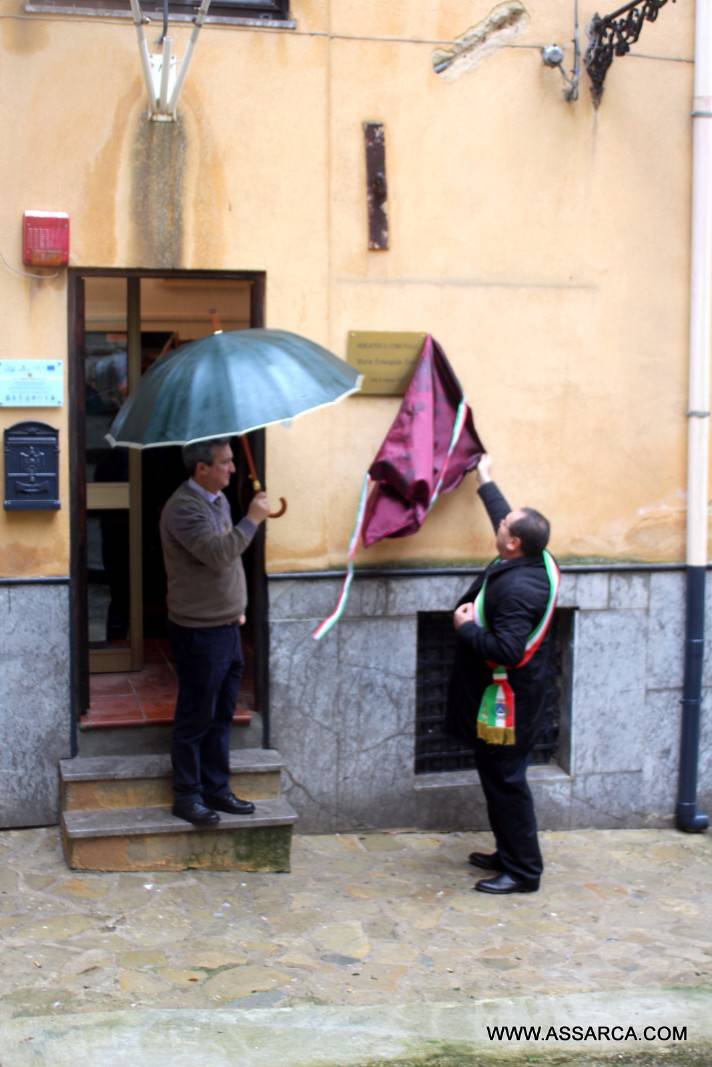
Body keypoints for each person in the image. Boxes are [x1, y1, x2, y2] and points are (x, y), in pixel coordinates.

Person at [446, 454, 559, 894]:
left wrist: (467, 628)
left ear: (512, 544)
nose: (499, 524)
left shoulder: (518, 589)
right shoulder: (534, 555)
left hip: (508, 704)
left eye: (503, 526)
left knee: (507, 783)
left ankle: (524, 872)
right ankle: (508, 851)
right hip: (511, 699)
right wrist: (485, 481)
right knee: (498, 780)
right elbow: (508, 517)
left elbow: (509, 651)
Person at [160, 438, 270, 826]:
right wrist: (252, 518)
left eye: (232, 461)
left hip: (226, 625)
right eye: (224, 463)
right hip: (199, 631)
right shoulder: (183, 509)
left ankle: (216, 788)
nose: (233, 469)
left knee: (222, 714)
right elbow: (219, 553)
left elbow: (225, 567)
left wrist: (237, 611)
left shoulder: (217, 501)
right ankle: (186, 796)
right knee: (195, 716)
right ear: (201, 468)